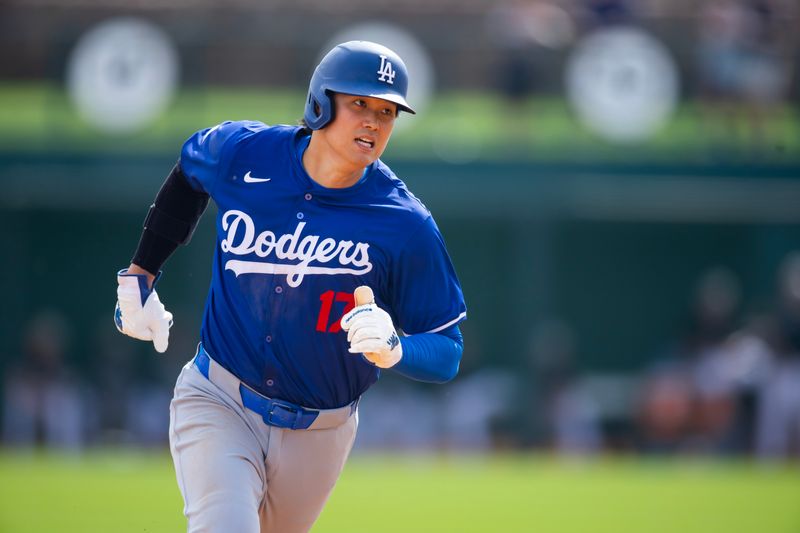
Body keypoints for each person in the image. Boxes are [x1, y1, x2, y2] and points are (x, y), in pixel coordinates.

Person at [113, 40, 467, 532]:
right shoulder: (244, 152)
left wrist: (395, 348)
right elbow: (190, 171)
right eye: (359, 103)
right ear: (321, 102)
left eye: (387, 111)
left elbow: (448, 350)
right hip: (219, 398)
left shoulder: (405, 223)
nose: (373, 121)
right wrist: (141, 272)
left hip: (321, 430)